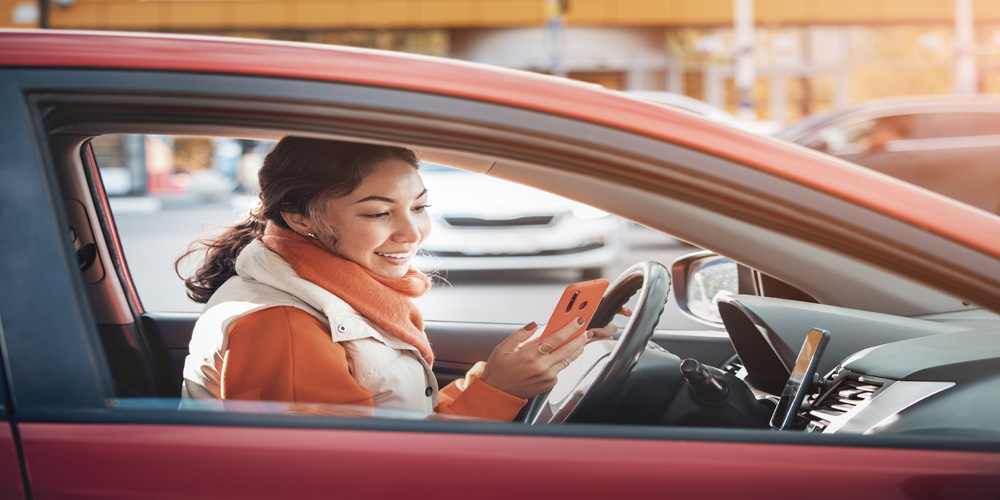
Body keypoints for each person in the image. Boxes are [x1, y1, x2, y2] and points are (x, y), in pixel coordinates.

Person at [178, 136, 622, 421]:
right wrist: (497, 392)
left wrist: (506, 375)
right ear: (297, 216)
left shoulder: (339, 291)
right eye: (377, 212)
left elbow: (403, 425)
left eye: (420, 207)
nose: (413, 233)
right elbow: (351, 477)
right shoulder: (286, 324)